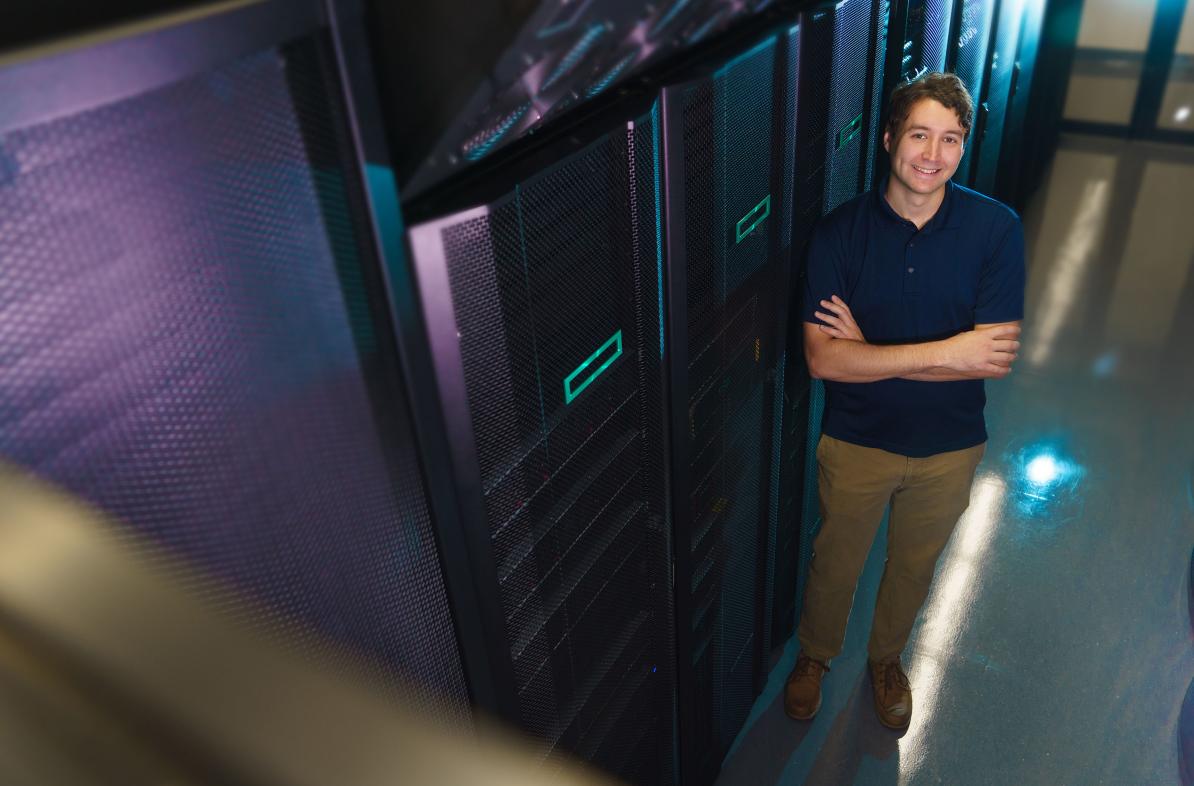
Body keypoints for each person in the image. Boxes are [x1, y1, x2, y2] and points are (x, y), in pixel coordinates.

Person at [784, 72, 1025, 730]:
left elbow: (993, 359)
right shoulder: (838, 234)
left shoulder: (996, 229)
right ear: (889, 137)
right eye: (920, 134)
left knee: (915, 565)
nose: (933, 154)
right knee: (835, 562)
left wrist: (874, 356)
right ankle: (815, 656)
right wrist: (951, 353)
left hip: (951, 446)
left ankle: (886, 659)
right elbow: (823, 359)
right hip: (857, 439)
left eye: (950, 139)